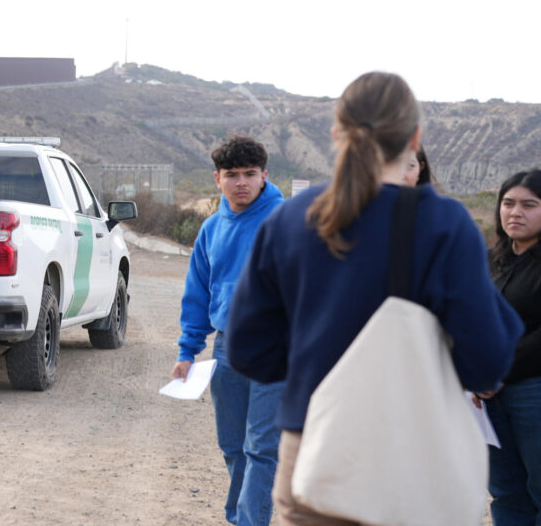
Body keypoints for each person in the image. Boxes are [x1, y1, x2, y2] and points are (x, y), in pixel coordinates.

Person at [224, 71, 523, 524]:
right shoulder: (444, 224)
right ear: (415, 137)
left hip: (313, 453)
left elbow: (247, 351)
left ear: (336, 133)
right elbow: (487, 362)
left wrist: (317, 365)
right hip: (414, 459)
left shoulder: (288, 221)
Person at [171, 135, 284, 526]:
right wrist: (187, 351)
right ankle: (241, 517)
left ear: (264, 175)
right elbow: (197, 295)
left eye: (250, 174)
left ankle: (251, 521)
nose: (241, 183)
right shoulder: (211, 230)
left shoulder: (286, 224)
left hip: (276, 350)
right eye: (231, 175)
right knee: (233, 446)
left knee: (262, 448)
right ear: (217, 179)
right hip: (228, 349)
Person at [479, 169, 541, 526]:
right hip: (487, 397)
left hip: (532, 388)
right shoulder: (489, 260)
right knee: (506, 491)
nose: (515, 212)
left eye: (529, 205)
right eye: (508, 203)